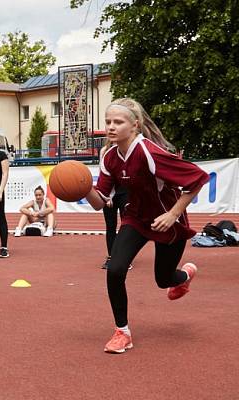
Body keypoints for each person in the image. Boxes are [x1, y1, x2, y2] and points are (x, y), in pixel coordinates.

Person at [84, 98, 208, 354]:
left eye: (118, 122)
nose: (111, 127)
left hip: (166, 221)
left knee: (163, 280)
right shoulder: (109, 156)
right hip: (136, 218)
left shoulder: (149, 153)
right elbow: (100, 203)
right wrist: (83, 188)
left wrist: (173, 214)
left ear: (135, 125)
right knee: (115, 269)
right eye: (108, 122)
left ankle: (184, 276)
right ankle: (122, 332)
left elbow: (198, 177)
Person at [101, 144, 130, 269]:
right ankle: (112, 256)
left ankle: (125, 257)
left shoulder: (128, 149)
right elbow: (103, 174)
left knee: (127, 226)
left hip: (125, 191)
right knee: (110, 226)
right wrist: (107, 196)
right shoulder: (105, 151)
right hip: (110, 192)